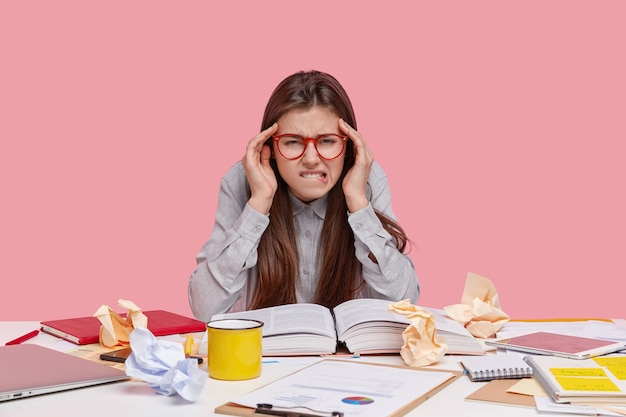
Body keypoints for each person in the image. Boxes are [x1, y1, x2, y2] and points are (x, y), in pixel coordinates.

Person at [188, 70, 419, 322]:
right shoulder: (242, 181)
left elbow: (405, 302)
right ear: (271, 148)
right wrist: (257, 206)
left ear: (349, 145)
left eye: (327, 141)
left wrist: (359, 206)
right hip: (266, 358)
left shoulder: (367, 181)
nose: (311, 159)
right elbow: (204, 308)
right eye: (293, 142)